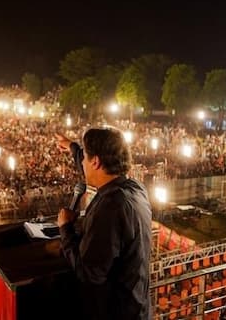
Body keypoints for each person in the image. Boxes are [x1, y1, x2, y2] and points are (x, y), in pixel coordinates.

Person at [56, 128, 152, 319]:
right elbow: (90, 165)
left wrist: (65, 228)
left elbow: (90, 273)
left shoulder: (110, 208)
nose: (82, 163)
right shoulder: (136, 189)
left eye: (85, 158)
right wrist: (72, 147)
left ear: (96, 161)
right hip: (138, 308)